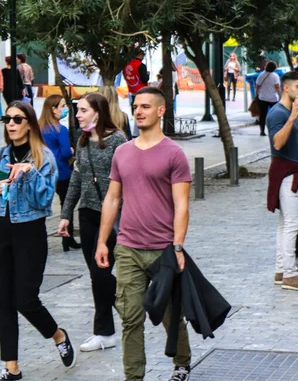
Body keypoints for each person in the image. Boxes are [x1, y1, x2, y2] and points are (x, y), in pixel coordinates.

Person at [95, 87, 193, 381]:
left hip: (163, 250)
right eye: (136, 106)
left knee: (170, 314)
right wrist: (102, 241)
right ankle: (133, 377)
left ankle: (182, 361)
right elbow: (112, 198)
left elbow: (182, 204)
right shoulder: (122, 152)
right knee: (130, 318)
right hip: (127, 248)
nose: (138, 111)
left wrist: (177, 246)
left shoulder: (174, 154)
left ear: (161, 111)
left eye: (146, 106)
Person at [0, 101, 77, 380]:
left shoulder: (43, 157)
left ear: (30, 124)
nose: (10, 124)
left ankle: (58, 335)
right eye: (6, 119)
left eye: (17, 119)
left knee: (25, 300)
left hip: (29, 236)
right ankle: (12, 368)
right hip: (2, 234)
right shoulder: (1, 155)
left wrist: (29, 174)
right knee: (3, 302)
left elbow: (45, 201)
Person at [57, 92, 127, 353]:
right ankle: (105, 332)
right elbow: (77, 180)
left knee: (101, 273)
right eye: (77, 110)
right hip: (86, 214)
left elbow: (128, 181)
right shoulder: (83, 139)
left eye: (83, 110)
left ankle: (128, 308)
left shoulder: (119, 141)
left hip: (112, 215)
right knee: (97, 275)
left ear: (98, 111)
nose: (77, 114)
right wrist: (66, 215)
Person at [266, 71, 298, 291]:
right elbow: (277, 143)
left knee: (285, 223)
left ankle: (282, 270)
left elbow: (291, 141)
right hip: (286, 173)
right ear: (286, 88)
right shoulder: (278, 113)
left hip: (294, 169)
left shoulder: (287, 111)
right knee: (292, 224)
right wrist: (293, 118)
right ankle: (290, 274)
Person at [39, 95, 80, 252]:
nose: (65, 109)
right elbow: (65, 153)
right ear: (53, 109)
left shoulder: (39, 128)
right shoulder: (60, 129)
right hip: (62, 171)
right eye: (62, 106)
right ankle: (67, 238)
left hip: (43, 171)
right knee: (67, 204)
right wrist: (71, 151)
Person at [256, 61, 281, 137]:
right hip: (273, 98)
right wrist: (281, 95)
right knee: (274, 115)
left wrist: (257, 94)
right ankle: (274, 129)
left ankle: (262, 131)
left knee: (262, 115)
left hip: (262, 98)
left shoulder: (261, 75)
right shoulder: (275, 76)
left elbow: (257, 86)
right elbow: (277, 87)